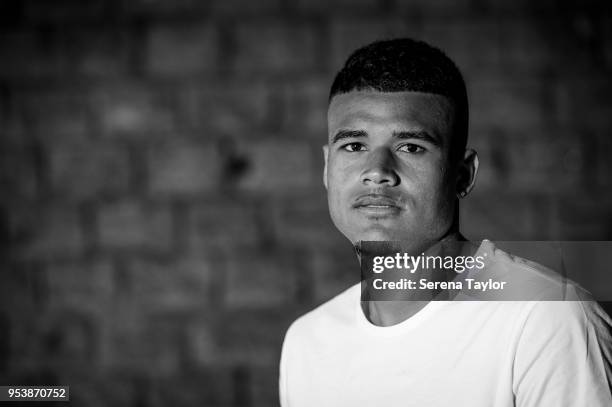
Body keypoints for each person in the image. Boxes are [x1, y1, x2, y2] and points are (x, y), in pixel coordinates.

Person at [278, 38, 612, 406]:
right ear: (327, 167)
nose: (377, 172)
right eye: (354, 146)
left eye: (411, 147)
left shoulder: (544, 318)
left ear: (463, 175)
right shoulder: (307, 343)